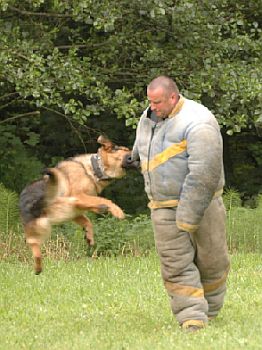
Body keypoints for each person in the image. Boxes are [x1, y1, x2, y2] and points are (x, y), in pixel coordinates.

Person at [131, 75, 230, 332]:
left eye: (157, 102)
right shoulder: (150, 116)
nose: (152, 107)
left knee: (212, 261)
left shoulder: (199, 122)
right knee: (174, 263)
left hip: (204, 204)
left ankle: (211, 309)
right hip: (162, 204)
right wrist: (130, 159)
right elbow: (144, 142)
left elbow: (204, 174)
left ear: (173, 97)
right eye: (150, 102)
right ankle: (192, 318)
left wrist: (188, 216)